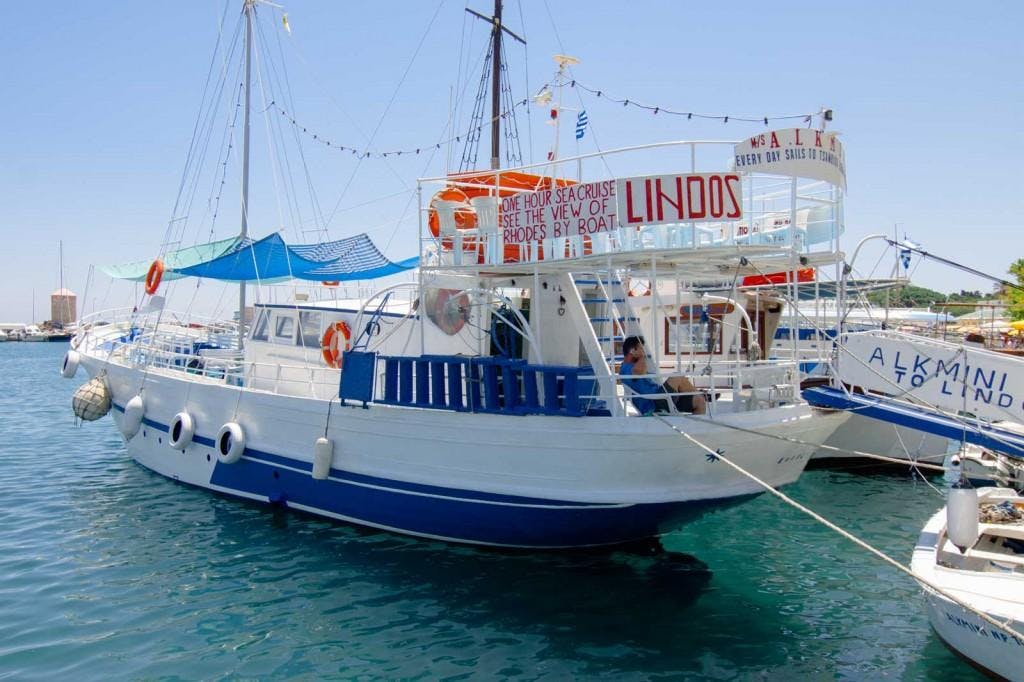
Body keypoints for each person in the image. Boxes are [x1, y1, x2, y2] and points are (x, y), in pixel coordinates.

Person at [619, 336, 706, 415]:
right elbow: (638, 371)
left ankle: (696, 428)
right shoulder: (626, 368)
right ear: (632, 351)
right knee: (676, 377)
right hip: (654, 403)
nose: (644, 352)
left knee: (699, 401)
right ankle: (702, 394)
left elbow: (641, 371)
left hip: (661, 398)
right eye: (641, 348)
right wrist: (642, 357)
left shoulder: (635, 365)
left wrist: (641, 357)